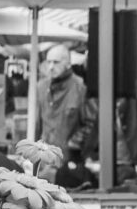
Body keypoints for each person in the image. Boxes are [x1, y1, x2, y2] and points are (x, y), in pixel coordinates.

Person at [37, 44, 94, 181]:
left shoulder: (80, 88)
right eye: (48, 62)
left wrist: (73, 146)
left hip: (69, 163)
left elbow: (90, 124)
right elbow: (37, 124)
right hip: (43, 161)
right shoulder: (41, 87)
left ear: (68, 64)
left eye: (56, 62)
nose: (51, 67)